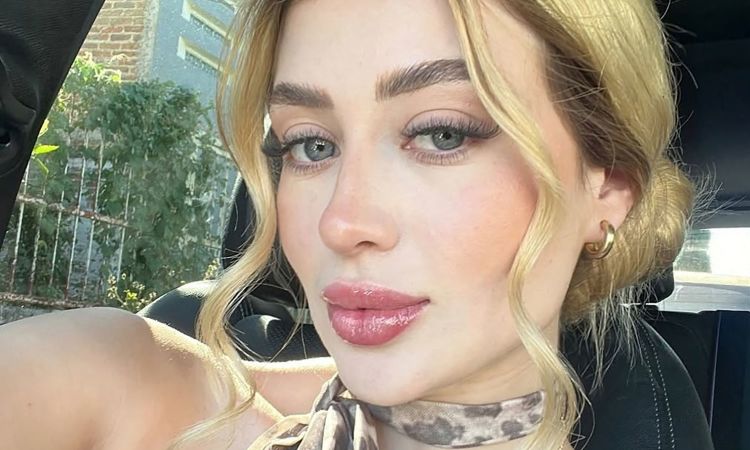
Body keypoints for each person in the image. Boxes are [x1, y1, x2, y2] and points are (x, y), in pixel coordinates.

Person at [0, 0, 695, 449]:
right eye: (311, 145)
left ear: (609, 188)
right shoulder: (145, 388)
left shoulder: (656, 408)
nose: (342, 221)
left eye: (443, 133)